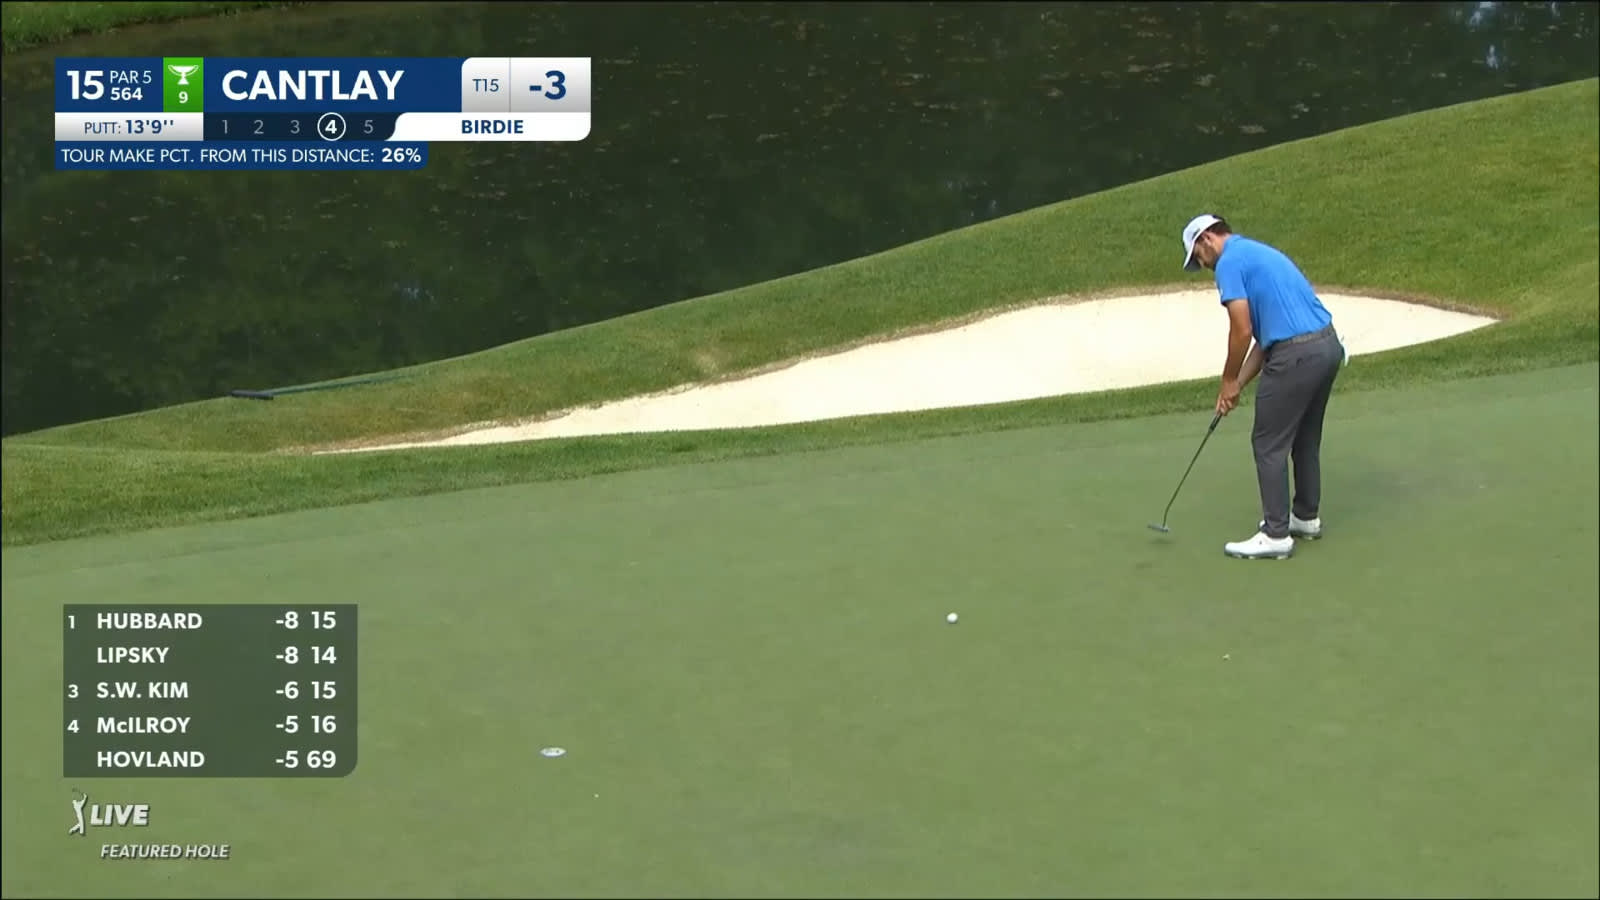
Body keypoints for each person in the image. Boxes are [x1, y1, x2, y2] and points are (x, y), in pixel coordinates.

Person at [1181, 213, 1346, 560]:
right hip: (1327, 347)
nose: (1203, 265)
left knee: (1268, 443)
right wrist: (1238, 384)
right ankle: (1305, 517)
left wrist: (1227, 379)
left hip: (1295, 356)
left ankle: (1275, 534)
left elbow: (1241, 330)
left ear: (1207, 238)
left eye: (1198, 256)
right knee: (1304, 437)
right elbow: (1264, 340)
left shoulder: (1229, 263)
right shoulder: (1257, 253)